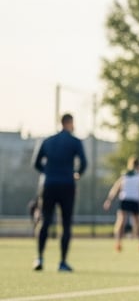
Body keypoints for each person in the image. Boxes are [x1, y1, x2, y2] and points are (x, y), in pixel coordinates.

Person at [32, 112, 88, 272]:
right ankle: (62, 262)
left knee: (45, 221)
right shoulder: (75, 141)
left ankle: (39, 258)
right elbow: (83, 163)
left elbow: (36, 163)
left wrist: (47, 172)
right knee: (66, 224)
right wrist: (77, 174)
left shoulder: (48, 141)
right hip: (66, 186)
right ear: (70, 123)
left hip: (49, 185)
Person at [103, 156, 139, 252]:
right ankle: (123, 243)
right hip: (131, 201)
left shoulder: (127, 175)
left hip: (127, 200)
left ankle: (121, 243)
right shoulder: (134, 175)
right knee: (130, 223)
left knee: (124, 222)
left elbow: (115, 188)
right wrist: (109, 200)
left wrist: (109, 200)